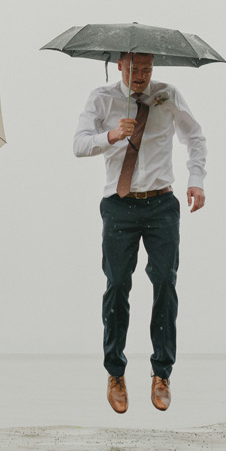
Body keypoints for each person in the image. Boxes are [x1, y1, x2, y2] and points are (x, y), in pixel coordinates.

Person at [73, 52, 206, 413]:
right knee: (117, 285)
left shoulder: (168, 93)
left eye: (147, 69)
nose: (141, 75)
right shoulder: (101, 98)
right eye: (134, 69)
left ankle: (162, 372)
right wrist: (112, 135)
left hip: (162, 203)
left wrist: (196, 180)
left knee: (165, 282)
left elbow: (195, 137)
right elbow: (78, 145)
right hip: (119, 204)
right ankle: (115, 371)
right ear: (119, 65)